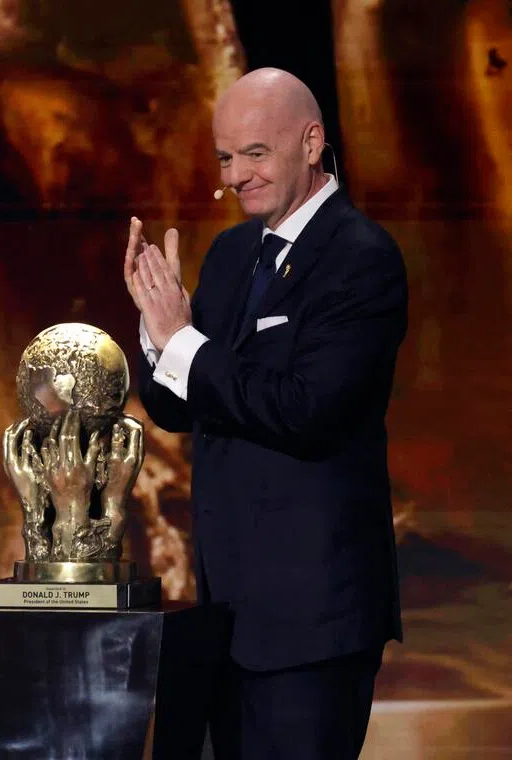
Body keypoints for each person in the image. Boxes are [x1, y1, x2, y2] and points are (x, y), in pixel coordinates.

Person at [124, 67, 407, 759]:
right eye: (226, 157)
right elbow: (174, 406)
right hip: (229, 617)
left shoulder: (360, 258)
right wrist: (154, 328)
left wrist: (183, 340)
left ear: (311, 143)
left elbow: (305, 409)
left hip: (315, 620)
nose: (236, 174)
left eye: (256, 153)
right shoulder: (231, 255)